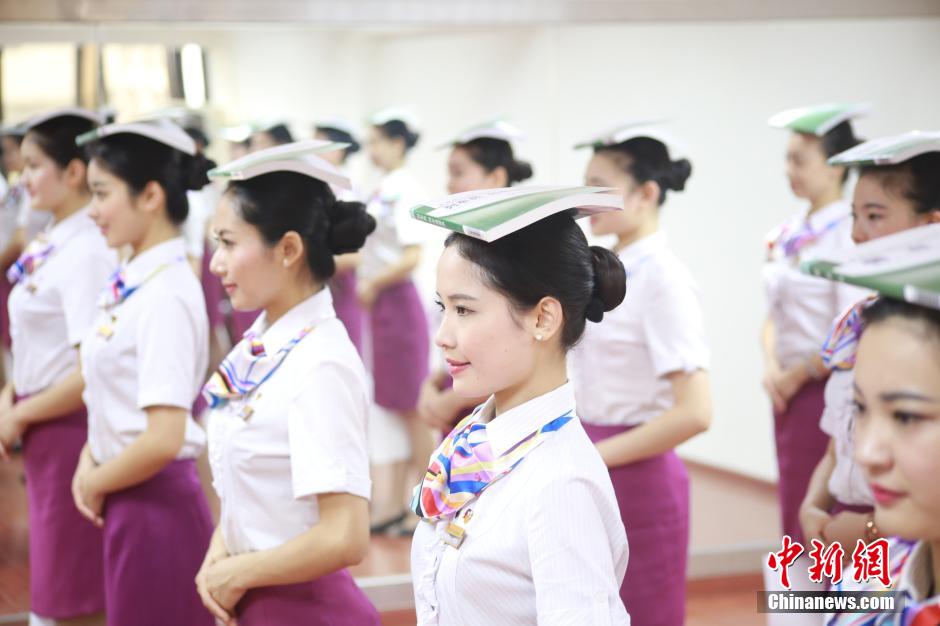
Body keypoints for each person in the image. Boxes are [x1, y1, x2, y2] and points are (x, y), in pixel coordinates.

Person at [410, 187, 631, 625]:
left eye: (465, 310)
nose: (443, 335)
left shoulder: (560, 484)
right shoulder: (472, 438)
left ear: (543, 319)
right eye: (443, 307)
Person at [194, 142, 380, 625]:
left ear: (289, 249)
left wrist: (236, 573)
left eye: (229, 243)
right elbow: (252, 487)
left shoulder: (321, 362)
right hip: (260, 597)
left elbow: (345, 536)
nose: (216, 264)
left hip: (305, 609)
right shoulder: (259, 343)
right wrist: (223, 548)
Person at [72, 119, 215, 625]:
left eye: (101, 193)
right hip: (127, 494)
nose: (91, 210)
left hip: (156, 508)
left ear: (150, 195)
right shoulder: (135, 278)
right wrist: (92, 457)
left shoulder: (166, 293)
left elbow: (163, 435)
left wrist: (93, 482)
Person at [570, 121, 712, 625]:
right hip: (590, 460)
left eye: (600, 187)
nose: (586, 199)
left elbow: (696, 412)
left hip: (638, 476)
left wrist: (593, 457)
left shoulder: (664, 278)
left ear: (647, 193)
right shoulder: (605, 269)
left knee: (643, 611)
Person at [0, 107, 114, 626]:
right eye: (20, 166)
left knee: (72, 594)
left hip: (68, 428)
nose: (22, 179)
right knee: (54, 586)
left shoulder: (86, 249)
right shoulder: (50, 240)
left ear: (74, 172)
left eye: (33, 165)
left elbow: (90, 369)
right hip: (40, 420)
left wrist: (21, 413)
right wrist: (12, 397)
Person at [763, 102, 868, 544]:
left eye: (800, 160)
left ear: (836, 167)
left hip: (821, 385)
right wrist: (772, 369)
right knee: (793, 505)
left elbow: (851, 324)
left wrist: (797, 375)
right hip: (784, 388)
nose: (791, 169)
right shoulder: (788, 232)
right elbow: (772, 314)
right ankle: (798, 611)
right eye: (788, 159)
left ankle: (826, 608)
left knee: (820, 509)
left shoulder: (849, 230)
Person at [418, 120, 532, 433]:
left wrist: (454, 399)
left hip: (495, 413)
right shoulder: (460, 245)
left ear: (495, 177)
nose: (449, 185)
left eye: (458, 173)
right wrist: (434, 382)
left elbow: (521, 354)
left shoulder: (516, 250)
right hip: (460, 394)